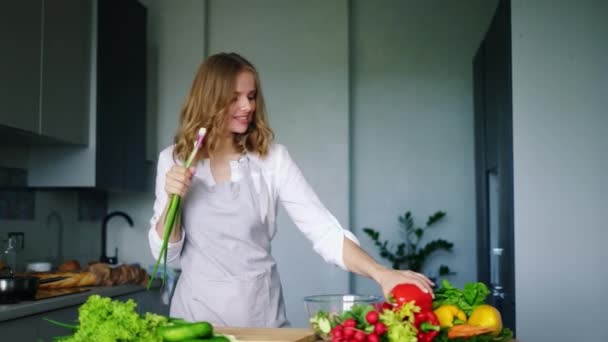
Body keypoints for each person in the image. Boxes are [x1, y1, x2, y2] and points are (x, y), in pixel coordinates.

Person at [148, 52, 433, 328]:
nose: (247, 106)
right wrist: (174, 197)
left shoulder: (272, 160)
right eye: (234, 98)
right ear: (210, 100)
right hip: (195, 322)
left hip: (261, 321)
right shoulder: (174, 160)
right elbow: (168, 255)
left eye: (251, 96)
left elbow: (324, 231)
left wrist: (381, 274)